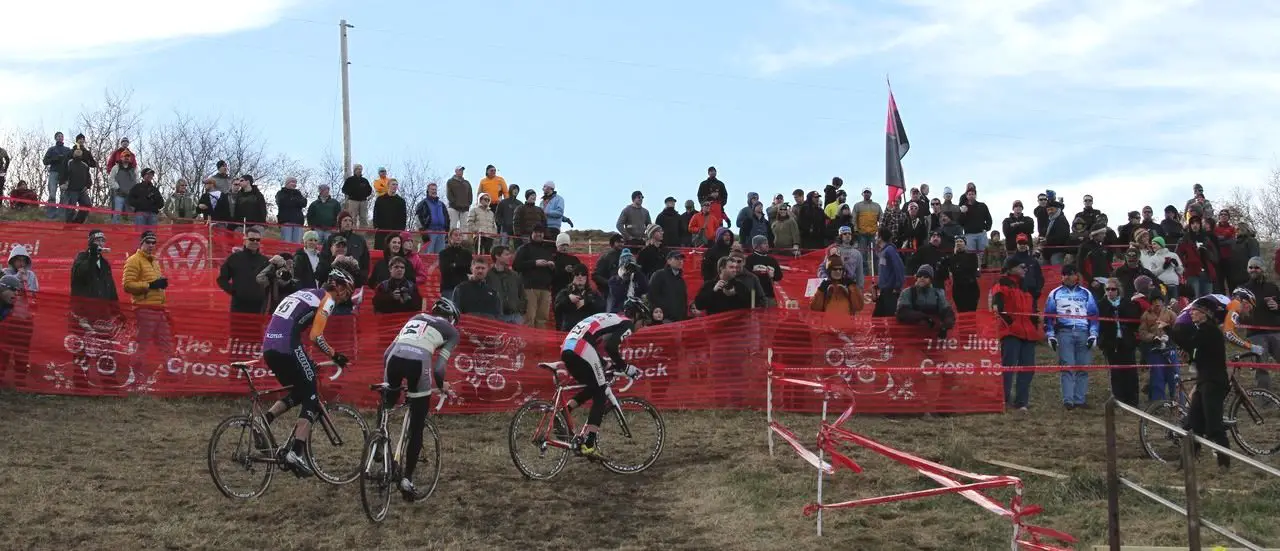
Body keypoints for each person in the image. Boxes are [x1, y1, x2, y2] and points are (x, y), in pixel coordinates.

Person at [257, 259, 359, 477]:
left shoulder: (305, 292)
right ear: (339, 286)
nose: (346, 298)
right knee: (311, 393)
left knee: (299, 390)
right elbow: (315, 336)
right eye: (347, 292)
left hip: (269, 346)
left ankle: (264, 421)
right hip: (287, 345)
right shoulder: (328, 299)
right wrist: (335, 355)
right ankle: (297, 452)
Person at [382, 298, 460, 497]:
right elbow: (439, 369)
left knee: (386, 406)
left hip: (393, 360)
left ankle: (377, 449)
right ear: (451, 318)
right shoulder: (451, 331)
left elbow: (386, 353)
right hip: (418, 363)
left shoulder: (416, 317)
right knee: (417, 425)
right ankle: (407, 479)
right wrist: (442, 386)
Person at [558, 299, 647, 457]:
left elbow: (594, 339)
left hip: (567, 346)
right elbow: (610, 347)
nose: (642, 326)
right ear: (636, 316)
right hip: (581, 346)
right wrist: (625, 367)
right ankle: (589, 444)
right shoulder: (627, 323)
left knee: (594, 386)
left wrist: (604, 364)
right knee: (600, 394)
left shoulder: (610, 317)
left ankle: (564, 412)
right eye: (643, 321)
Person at [1178, 298, 1233, 469]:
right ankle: (1186, 464)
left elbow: (1190, 343)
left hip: (1214, 382)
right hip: (1204, 380)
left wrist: (1168, 329)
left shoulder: (1210, 331)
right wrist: (1189, 358)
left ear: (1206, 314)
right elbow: (1198, 355)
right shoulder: (1201, 331)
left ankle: (1224, 464)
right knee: (1192, 424)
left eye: (1196, 310)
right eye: (1192, 310)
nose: (1191, 313)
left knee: (1214, 426)